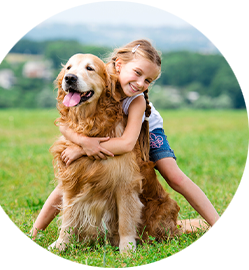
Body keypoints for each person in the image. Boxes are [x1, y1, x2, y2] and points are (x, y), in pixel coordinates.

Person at [31, 39, 220, 240]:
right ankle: (35, 232)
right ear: (119, 65)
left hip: (145, 131)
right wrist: (83, 141)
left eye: (148, 81)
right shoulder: (95, 76)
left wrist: (81, 148)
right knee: (69, 181)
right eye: (138, 73)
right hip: (105, 131)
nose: (141, 83)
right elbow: (63, 123)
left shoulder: (137, 99)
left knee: (174, 177)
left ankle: (217, 223)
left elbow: (127, 143)